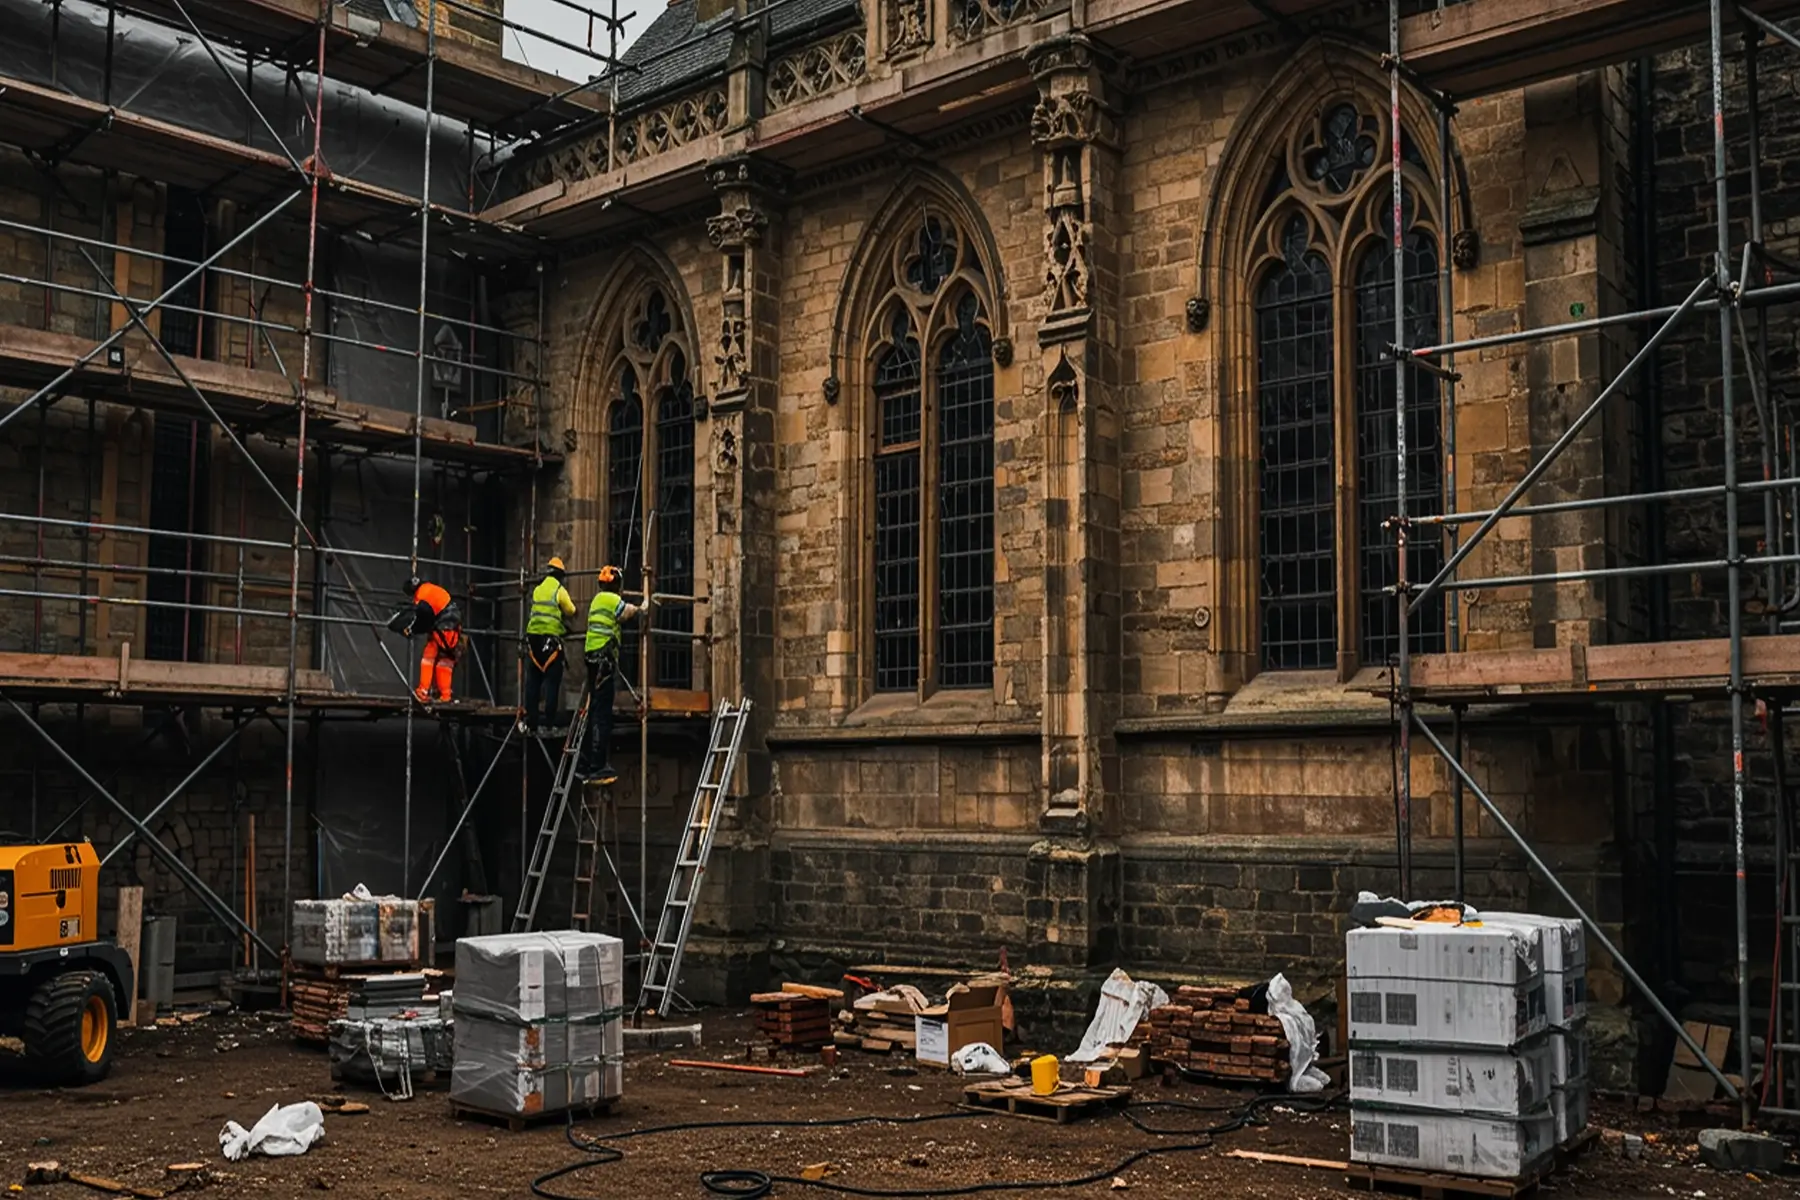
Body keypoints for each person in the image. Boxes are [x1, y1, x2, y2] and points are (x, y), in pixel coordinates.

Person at [575, 565, 643, 786]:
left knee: (593, 708)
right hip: (604, 659)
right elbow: (627, 613)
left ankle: (583, 763)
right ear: (615, 585)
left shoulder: (595, 601)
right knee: (602, 714)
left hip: (593, 658)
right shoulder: (612, 600)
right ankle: (597, 765)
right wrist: (643, 607)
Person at [522, 556, 576, 735]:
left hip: (534, 642)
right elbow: (571, 610)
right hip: (550, 643)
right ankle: (549, 723)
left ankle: (532, 723)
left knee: (533, 684)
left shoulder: (537, 590)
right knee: (552, 683)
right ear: (561, 576)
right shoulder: (559, 590)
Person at [401, 575, 461, 704]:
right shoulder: (429, 588)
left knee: (430, 656)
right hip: (451, 625)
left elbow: (423, 618)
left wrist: (412, 629)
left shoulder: (421, 598)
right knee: (445, 661)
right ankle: (445, 696)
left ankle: (423, 692)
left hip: (444, 626)